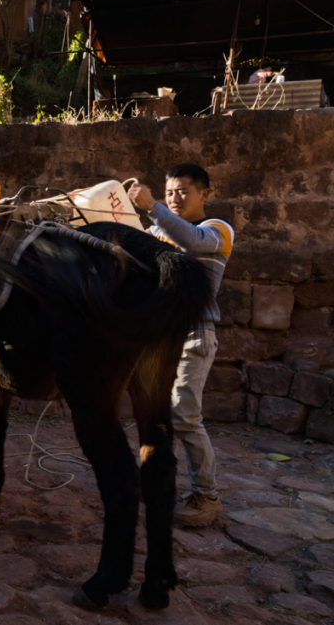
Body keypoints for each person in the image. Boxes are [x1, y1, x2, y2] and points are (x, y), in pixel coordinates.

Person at [127, 164, 233, 527]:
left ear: (205, 193)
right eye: (170, 191)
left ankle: (208, 496)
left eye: (183, 191)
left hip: (193, 335)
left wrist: (153, 206)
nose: (174, 198)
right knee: (154, 414)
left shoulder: (217, 230)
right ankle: (156, 483)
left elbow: (193, 242)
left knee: (184, 416)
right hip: (158, 336)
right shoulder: (158, 230)